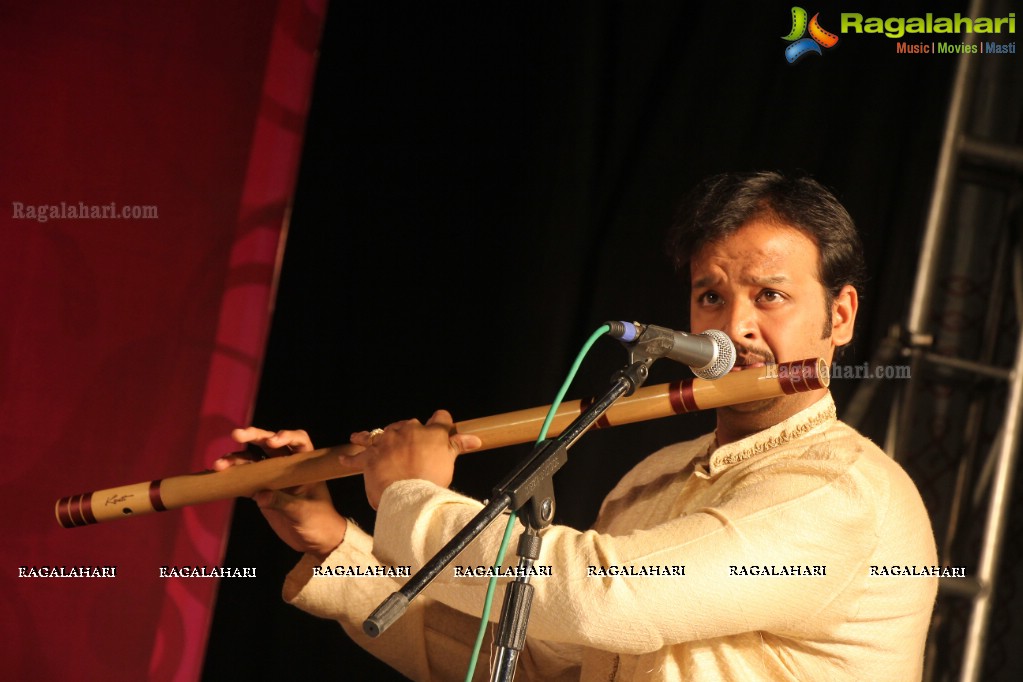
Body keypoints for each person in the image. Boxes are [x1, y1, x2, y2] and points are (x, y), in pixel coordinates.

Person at [217, 171, 938, 680]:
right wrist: (340, 543)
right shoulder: (651, 479)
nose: (733, 327)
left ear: (838, 315)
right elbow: (527, 661)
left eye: (769, 295)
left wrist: (411, 497)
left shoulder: (840, 493)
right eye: (710, 296)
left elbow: (603, 598)